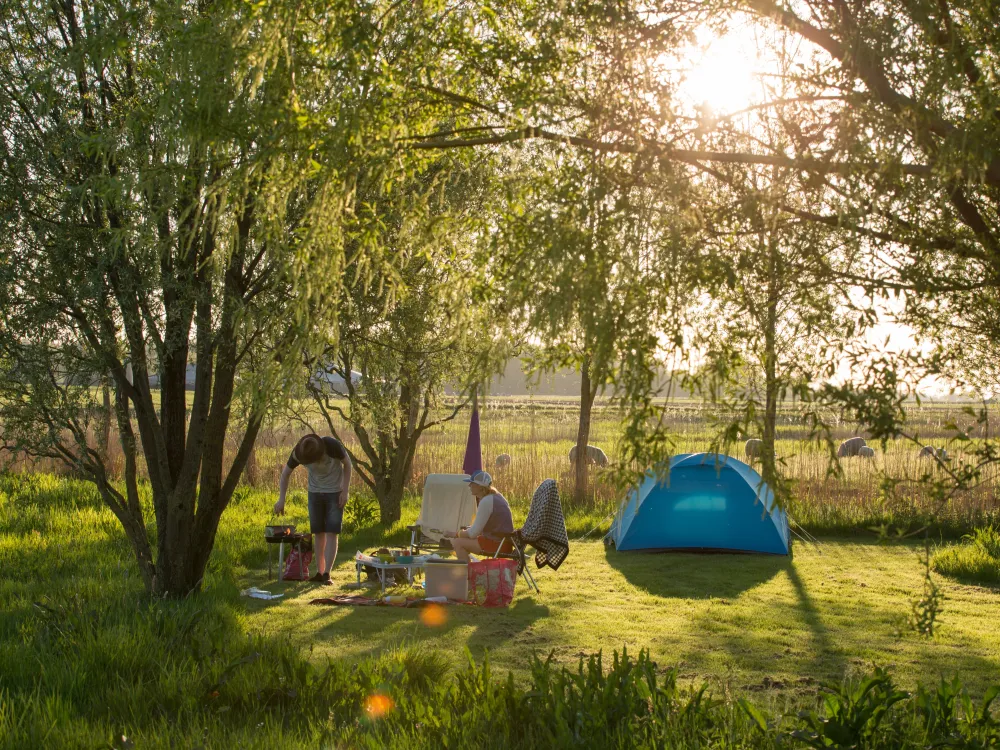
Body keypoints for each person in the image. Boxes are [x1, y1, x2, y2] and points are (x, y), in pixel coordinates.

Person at [274, 434, 352, 584]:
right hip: (314, 493)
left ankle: (327, 574)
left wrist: (345, 491)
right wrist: (281, 499)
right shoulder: (300, 452)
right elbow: (285, 474)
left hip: (335, 492)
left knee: (332, 532)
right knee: (318, 532)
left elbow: (348, 464)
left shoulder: (332, 445)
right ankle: (319, 572)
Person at [447, 470, 515, 563]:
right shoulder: (496, 496)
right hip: (503, 542)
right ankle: (469, 572)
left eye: (472, 483)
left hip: (498, 544)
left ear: (479, 486)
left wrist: (454, 534)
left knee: (458, 543)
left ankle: (467, 575)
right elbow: (477, 530)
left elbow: (473, 533)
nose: (469, 486)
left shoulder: (486, 501)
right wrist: (464, 532)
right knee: (461, 539)